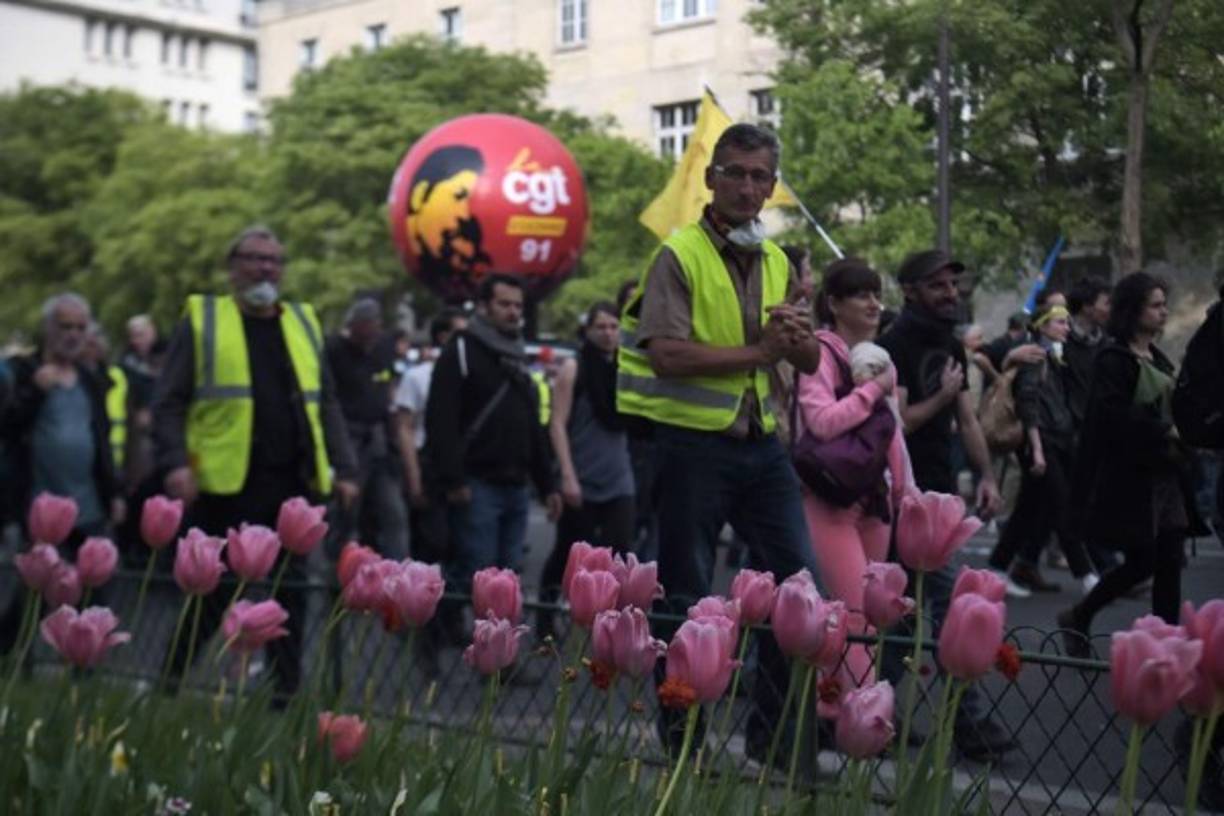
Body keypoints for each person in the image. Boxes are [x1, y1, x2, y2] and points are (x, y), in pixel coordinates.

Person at [616, 123, 822, 754]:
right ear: (711, 178)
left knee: (798, 594)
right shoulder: (678, 254)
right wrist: (760, 350)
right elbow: (669, 356)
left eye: (761, 176)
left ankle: (779, 743)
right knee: (685, 595)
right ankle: (684, 744)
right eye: (735, 172)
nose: (748, 186)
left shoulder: (780, 259)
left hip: (761, 447)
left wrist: (797, 339)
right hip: (691, 448)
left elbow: (809, 361)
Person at [153, 225, 359, 696]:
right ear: (233, 268)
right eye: (254, 258)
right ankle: (169, 681)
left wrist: (345, 468)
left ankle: (285, 693)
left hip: (293, 482)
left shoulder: (302, 321)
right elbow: (169, 401)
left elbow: (326, 402)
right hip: (226, 483)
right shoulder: (204, 319)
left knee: (293, 595)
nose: (266, 267)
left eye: (274, 260)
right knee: (212, 591)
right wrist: (174, 463)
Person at [877, 249, 1014, 760]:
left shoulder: (951, 343)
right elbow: (903, 420)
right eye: (938, 286)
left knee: (908, 614)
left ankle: (879, 713)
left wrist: (984, 477)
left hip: (938, 496)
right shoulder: (893, 346)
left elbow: (968, 419)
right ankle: (964, 722)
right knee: (942, 605)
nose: (950, 294)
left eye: (954, 286)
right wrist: (944, 395)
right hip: (898, 496)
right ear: (911, 291)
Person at [1058, 273, 1206, 656]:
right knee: (1143, 561)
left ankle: (1166, 647)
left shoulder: (1157, 358)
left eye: (1162, 304)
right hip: (1130, 477)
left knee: (1170, 560)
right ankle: (1081, 614)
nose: (1163, 311)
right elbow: (1111, 416)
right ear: (1133, 310)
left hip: (1166, 476)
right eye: (1155, 305)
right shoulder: (1114, 359)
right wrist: (1163, 430)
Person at [796, 258, 917, 688]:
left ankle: (834, 710)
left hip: (875, 500)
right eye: (861, 294)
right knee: (851, 616)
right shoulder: (820, 352)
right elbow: (823, 422)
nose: (873, 304)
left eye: (876, 295)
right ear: (833, 303)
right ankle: (862, 719)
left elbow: (893, 433)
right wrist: (872, 390)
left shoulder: (881, 360)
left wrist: (905, 489)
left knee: (867, 619)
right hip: (831, 500)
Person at [425, 274, 561, 609]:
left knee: (508, 577)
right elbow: (440, 419)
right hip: (476, 484)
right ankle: (440, 637)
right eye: (504, 304)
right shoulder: (461, 349)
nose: (513, 312)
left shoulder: (515, 353)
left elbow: (532, 425)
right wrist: (454, 479)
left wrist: (547, 485)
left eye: (517, 305)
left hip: (515, 486)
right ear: (484, 306)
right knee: (475, 573)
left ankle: (498, 652)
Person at [538, 302, 636, 638]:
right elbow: (557, 424)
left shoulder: (626, 368)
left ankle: (608, 628)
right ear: (588, 330)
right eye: (601, 327)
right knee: (568, 551)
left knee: (620, 551)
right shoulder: (574, 367)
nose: (608, 333)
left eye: (613, 327)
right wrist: (566, 474)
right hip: (580, 473)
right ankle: (546, 618)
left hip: (618, 474)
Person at [986, 304, 1098, 594]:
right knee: (1063, 506)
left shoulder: (1055, 355)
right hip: (1043, 443)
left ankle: (998, 569)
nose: (1067, 328)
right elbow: (1028, 402)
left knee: (1029, 509)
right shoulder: (1034, 356)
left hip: (1058, 441)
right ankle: (1087, 575)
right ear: (1043, 326)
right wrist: (1035, 449)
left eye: (1067, 322)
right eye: (1060, 322)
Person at [324, 298, 408, 560]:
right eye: (370, 326)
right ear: (355, 325)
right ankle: (336, 581)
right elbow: (329, 402)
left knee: (393, 514)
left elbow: (389, 388)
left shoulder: (382, 348)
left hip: (380, 444)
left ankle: (397, 576)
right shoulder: (333, 350)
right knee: (346, 518)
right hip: (349, 442)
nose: (375, 331)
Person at [394, 307, 467, 564]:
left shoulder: (469, 376)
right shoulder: (417, 376)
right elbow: (405, 427)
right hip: (429, 468)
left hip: (461, 470)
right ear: (442, 336)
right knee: (430, 544)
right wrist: (414, 478)